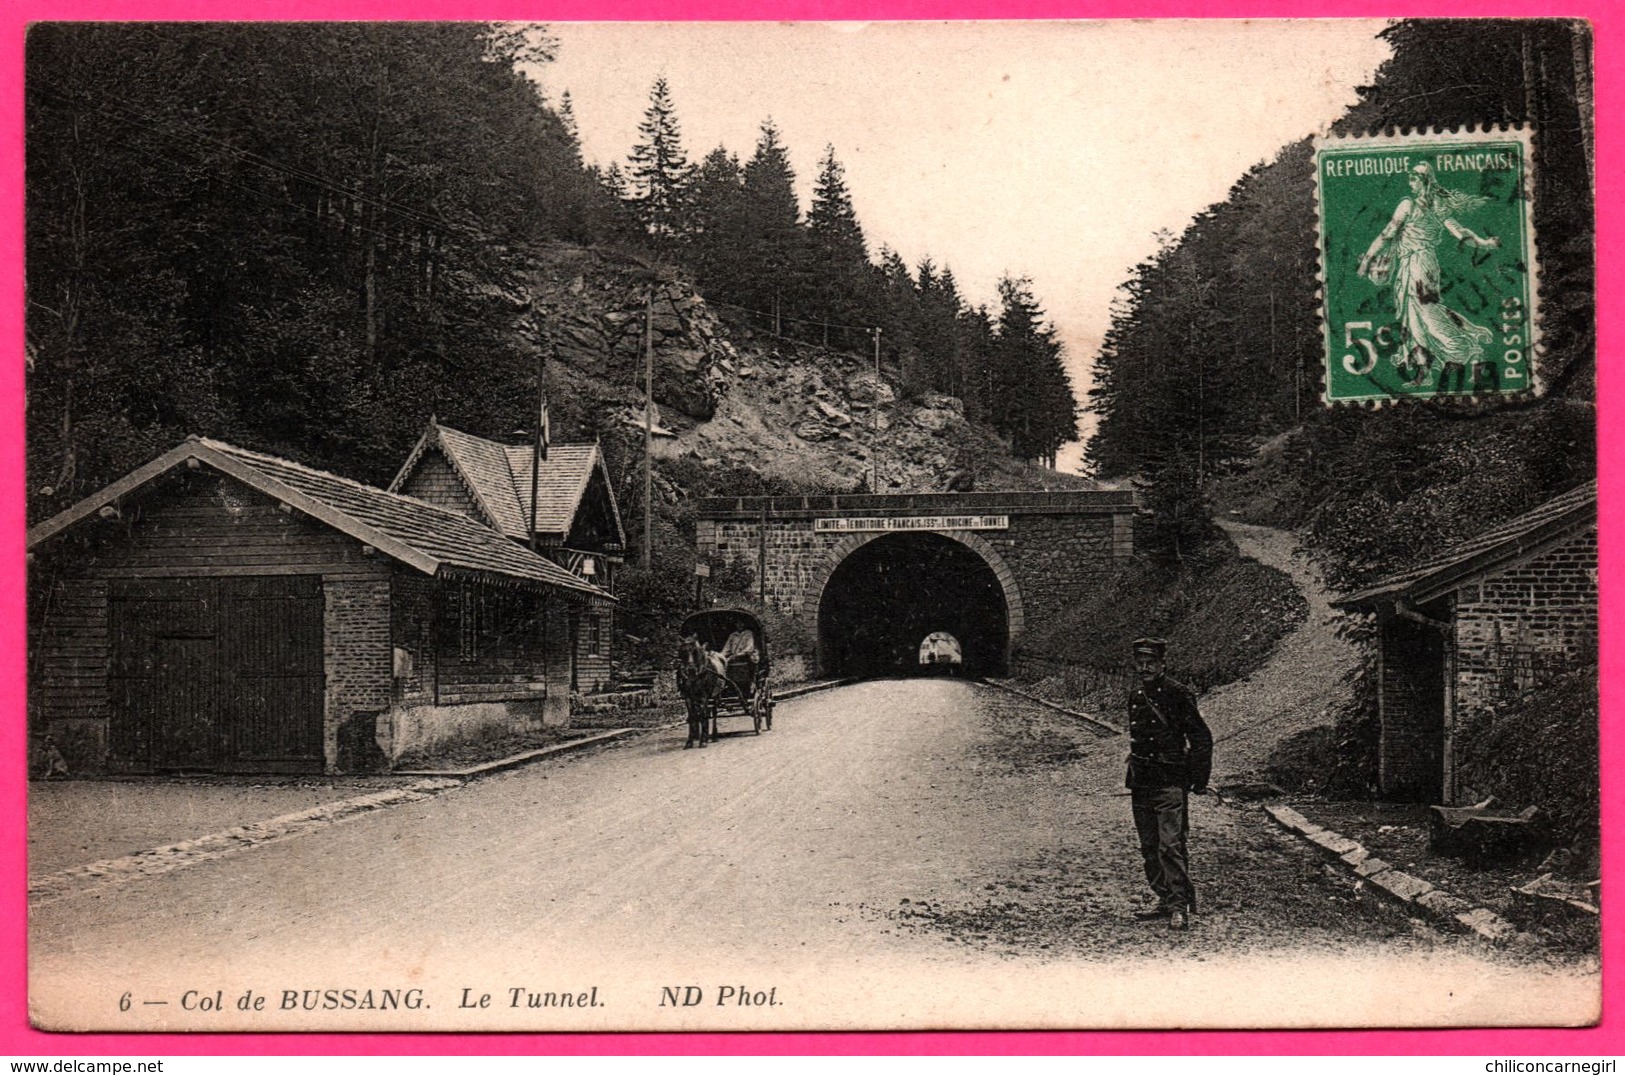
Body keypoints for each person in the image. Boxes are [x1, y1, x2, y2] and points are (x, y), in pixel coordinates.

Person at [1357, 162, 1500, 388]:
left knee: (1429, 315)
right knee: (1413, 318)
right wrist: (1484, 243)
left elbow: (1387, 235)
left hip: (1420, 265)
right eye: (1410, 179)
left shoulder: (1413, 205)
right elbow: (1459, 233)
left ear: (1424, 181)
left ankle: (1472, 351)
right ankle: (1424, 371)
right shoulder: (1433, 205)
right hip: (1412, 264)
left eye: (1414, 179)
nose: (1410, 183)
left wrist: (1367, 260)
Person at [1125, 637, 1213, 931]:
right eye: (1140, 662)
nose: (1145, 668)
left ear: (1162, 664)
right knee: (1149, 846)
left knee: (1171, 845)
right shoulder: (1136, 694)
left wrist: (1198, 780)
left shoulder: (1178, 694)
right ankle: (1164, 898)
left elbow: (1201, 737)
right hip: (1141, 781)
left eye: (1150, 662)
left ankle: (1179, 906)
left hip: (1170, 781)